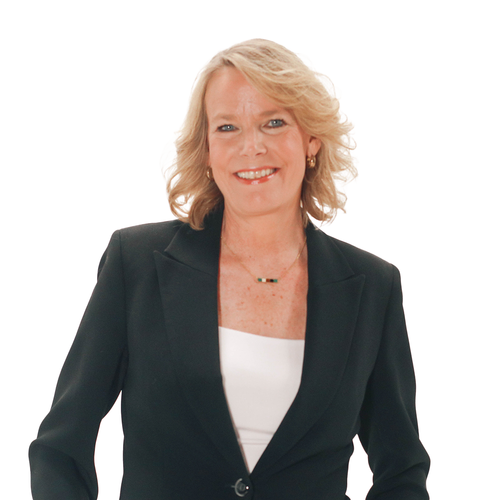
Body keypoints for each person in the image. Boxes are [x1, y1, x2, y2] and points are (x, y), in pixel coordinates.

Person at [29, 39, 430, 499]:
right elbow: (61, 448)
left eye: (274, 122)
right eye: (227, 127)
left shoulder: (372, 287)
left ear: (311, 140)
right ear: (207, 149)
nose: (251, 147)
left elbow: (402, 470)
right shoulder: (136, 263)